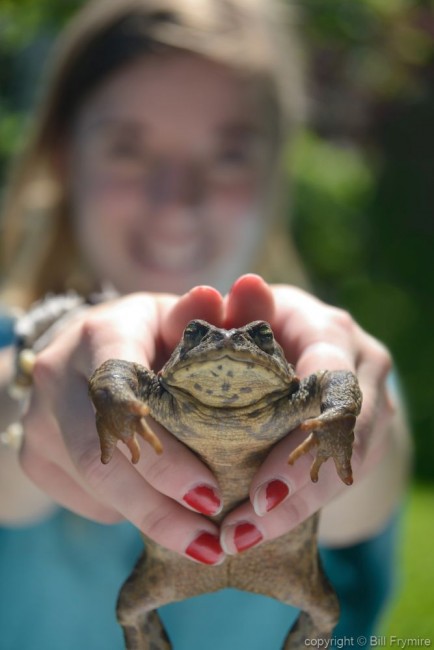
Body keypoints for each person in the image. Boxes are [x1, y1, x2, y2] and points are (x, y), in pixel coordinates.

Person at [0, 1, 411, 649]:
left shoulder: (317, 354)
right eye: (128, 147)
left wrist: (358, 429)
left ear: (274, 173)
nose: (177, 199)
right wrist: (32, 392)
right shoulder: (16, 356)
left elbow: (365, 491)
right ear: (61, 157)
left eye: (228, 154)